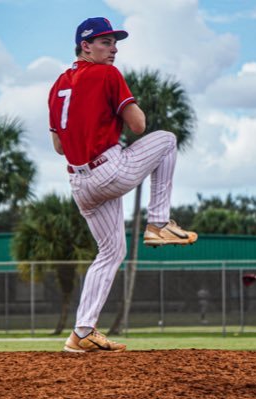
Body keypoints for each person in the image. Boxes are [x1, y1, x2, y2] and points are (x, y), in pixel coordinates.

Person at [48, 17, 198, 353]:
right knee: (167, 139)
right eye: (105, 42)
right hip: (109, 171)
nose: (114, 48)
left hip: (79, 182)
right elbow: (139, 126)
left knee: (111, 251)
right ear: (85, 45)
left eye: (115, 43)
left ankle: (82, 333)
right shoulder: (107, 74)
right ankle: (158, 223)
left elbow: (58, 146)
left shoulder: (58, 85)